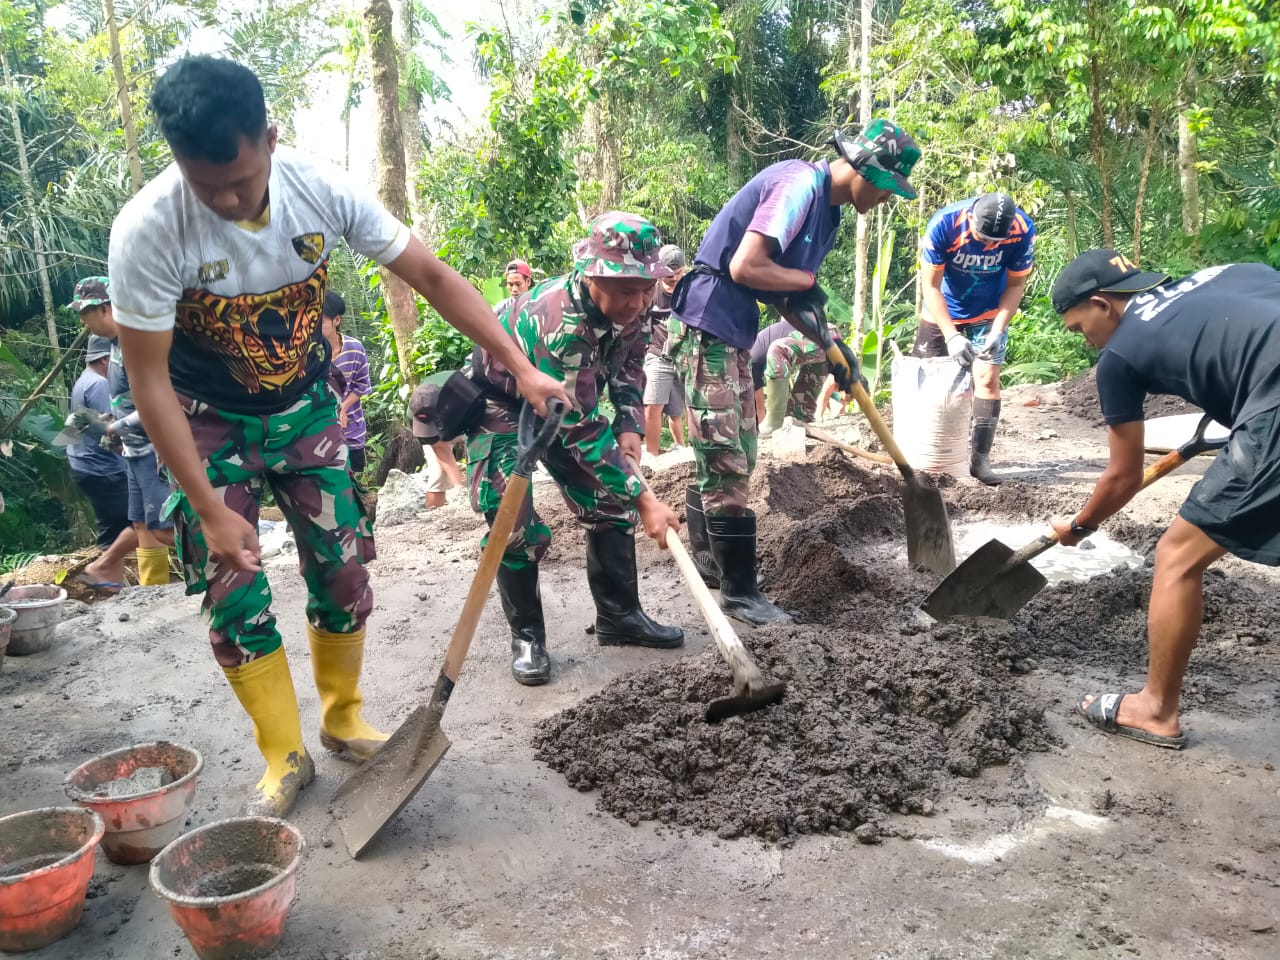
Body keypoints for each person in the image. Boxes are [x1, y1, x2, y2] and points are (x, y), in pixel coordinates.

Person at [106, 56, 570, 817]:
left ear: (271, 139)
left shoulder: (318, 189)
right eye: (205, 184)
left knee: (345, 571)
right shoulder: (147, 231)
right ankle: (282, 753)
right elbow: (149, 381)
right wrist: (209, 507)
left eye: (242, 180)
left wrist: (519, 366)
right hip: (206, 424)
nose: (225, 200)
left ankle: (343, 718)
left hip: (308, 412)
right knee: (231, 591)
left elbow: (435, 276)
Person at [671, 119, 919, 624]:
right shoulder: (798, 184)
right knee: (725, 453)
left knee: (736, 447)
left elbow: (788, 296)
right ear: (863, 171)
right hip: (708, 321)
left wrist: (834, 349)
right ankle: (739, 592)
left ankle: (712, 561)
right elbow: (746, 267)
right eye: (888, 188)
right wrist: (805, 281)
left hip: (732, 328)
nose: (888, 199)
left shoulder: (828, 215)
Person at [434, 212, 683, 687]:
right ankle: (527, 636)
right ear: (592, 277)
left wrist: (630, 421)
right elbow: (583, 430)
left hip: (568, 403)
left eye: (645, 288)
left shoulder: (638, 306)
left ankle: (619, 617)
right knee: (516, 525)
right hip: (501, 402)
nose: (638, 302)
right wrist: (647, 499)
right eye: (626, 290)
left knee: (610, 501)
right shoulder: (560, 321)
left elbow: (631, 367)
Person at [1049, 249, 1280, 749]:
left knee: (1176, 555)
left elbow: (1122, 477)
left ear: (1101, 304)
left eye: (1078, 328)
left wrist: (1081, 525)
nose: (1086, 342)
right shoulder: (1228, 271)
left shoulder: (1119, 356)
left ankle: (1155, 710)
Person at [912, 192, 1035, 485]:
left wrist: (998, 329)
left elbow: (1016, 285)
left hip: (988, 311)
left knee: (988, 379)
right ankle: (921, 456)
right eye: (984, 239)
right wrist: (951, 335)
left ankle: (979, 461)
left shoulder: (1021, 229)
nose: (991, 246)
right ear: (971, 218)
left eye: (997, 242)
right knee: (928, 384)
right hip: (943, 308)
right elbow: (930, 286)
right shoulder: (945, 224)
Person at [71, 277, 175, 591]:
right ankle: (153, 590)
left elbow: (161, 402)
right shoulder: (115, 347)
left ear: (103, 307)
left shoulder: (136, 345)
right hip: (132, 451)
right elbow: (127, 401)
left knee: (166, 528)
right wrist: (113, 424)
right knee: (141, 523)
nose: (82, 321)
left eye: (83, 313)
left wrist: (114, 427)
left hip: (152, 451)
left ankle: (219, 566)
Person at [66, 335, 130, 559]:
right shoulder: (100, 384)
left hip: (82, 464)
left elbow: (72, 427)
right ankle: (105, 570)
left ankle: (108, 572)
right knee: (133, 519)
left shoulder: (83, 380)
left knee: (111, 521)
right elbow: (111, 429)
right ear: (105, 359)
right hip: (101, 468)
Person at [753, 319, 839, 436]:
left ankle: (775, 422)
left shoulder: (749, 360)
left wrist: (764, 428)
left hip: (823, 334)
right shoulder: (751, 349)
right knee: (795, 415)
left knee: (779, 349)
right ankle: (801, 418)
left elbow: (760, 408)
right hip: (828, 340)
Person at [642, 244, 689, 456]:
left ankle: (682, 448)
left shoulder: (691, 289)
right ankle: (651, 456)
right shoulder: (651, 291)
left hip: (685, 355)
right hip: (658, 354)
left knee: (679, 411)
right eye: (668, 274)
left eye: (677, 273)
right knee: (653, 405)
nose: (673, 278)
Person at [320, 292, 371, 474]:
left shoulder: (355, 349)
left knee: (355, 480)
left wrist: (343, 408)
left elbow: (362, 385)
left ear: (337, 320)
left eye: (321, 321)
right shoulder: (308, 355)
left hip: (352, 429)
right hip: (320, 435)